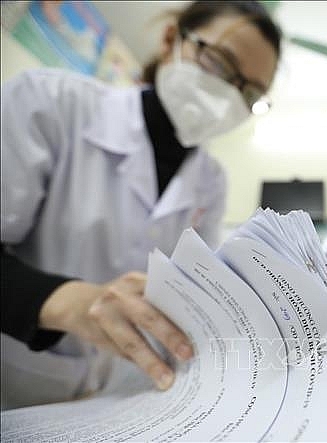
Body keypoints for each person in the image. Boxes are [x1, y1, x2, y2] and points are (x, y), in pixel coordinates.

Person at [0, 1, 281, 409]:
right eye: (220, 62)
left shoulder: (211, 181)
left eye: (250, 92)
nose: (229, 96)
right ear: (171, 40)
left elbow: (194, 289)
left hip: (129, 400)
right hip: (18, 388)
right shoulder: (50, 102)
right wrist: (69, 302)